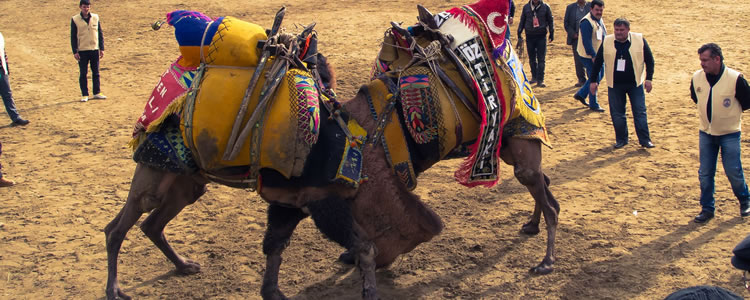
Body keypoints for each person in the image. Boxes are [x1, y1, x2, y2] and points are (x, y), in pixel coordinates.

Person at [690, 43, 750, 223]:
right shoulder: (697, 77)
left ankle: (745, 200)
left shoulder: (735, 78)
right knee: (705, 173)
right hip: (706, 133)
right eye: (701, 60)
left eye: (705, 60)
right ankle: (707, 208)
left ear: (717, 59)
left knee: (733, 170)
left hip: (729, 133)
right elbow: (696, 98)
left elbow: (747, 102)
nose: (702, 64)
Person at [590, 18, 655, 149]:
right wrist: (593, 81)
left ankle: (645, 140)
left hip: (635, 83)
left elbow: (650, 60)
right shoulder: (607, 41)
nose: (618, 33)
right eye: (616, 30)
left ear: (628, 30)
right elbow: (598, 63)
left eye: (621, 30)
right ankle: (621, 140)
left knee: (640, 112)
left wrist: (649, 79)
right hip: (615, 84)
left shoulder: (639, 39)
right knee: (617, 114)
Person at [573, 0, 606, 112]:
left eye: (601, 10)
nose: (599, 12)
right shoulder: (586, 22)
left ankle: (581, 94)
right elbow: (586, 42)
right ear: (591, 9)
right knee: (594, 78)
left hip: (598, 54)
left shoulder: (599, 20)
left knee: (599, 76)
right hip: (588, 55)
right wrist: (593, 56)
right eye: (597, 10)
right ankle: (593, 104)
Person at [71, 0, 106, 102]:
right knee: (83, 73)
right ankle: (84, 94)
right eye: (84, 7)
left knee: (96, 72)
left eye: (88, 7)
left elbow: (99, 33)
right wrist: (75, 51)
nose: (86, 9)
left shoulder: (95, 17)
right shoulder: (75, 19)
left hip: (94, 49)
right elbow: (73, 36)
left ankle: (97, 92)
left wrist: (101, 48)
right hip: (82, 50)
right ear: (80, 7)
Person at [517, 0, 554, 88]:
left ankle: (540, 79)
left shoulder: (546, 7)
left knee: (541, 59)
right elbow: (522, 20)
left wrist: (552, 33)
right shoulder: (526, 7)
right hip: (529, 36)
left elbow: (550, 20)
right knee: (532, 58)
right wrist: (519, 32)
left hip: (541, 36)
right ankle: (534, 77)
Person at [0, 32, 29, 126]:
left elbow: (3, 53)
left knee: (7, 94)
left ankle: (15, 117)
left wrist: (6, 68)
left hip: (1, 70)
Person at [563, 0, 590, 87]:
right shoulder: (570, 8)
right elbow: (566, 23)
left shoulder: (591, 6)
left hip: (589, 38)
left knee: (589, 57)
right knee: (578, 60)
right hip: (576, 38)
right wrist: (573, 34)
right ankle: (581, 79)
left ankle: (591, 79)